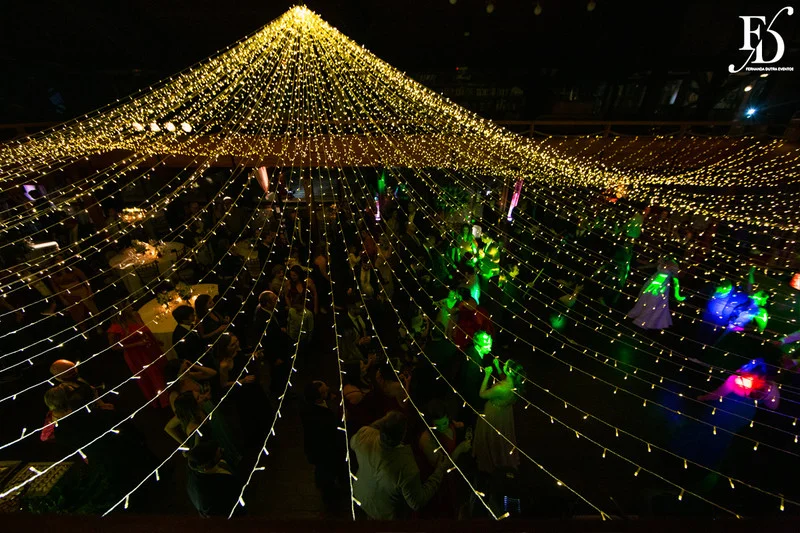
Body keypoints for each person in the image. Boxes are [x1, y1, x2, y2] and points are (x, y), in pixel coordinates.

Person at [350, 411, 447, 520]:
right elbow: (417, 503)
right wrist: (440, 470)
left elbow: (353, 442)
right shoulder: (406, 466)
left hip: (360, 495)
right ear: (403, 435)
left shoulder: (364, 435)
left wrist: (385, 421)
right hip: (384, 514)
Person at [416, 399, 472, 518]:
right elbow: (441, 467)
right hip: (443, 483)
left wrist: (464, 429)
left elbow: (460, 426)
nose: (442, 428)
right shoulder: (427, 439)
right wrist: (459, 449)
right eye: (438, 425)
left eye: (445, 423)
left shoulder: (451, 424)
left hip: (457, 474)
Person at [107, 308, 169, 408]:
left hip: (149, 349)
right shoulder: (115, 328)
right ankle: (163, 400)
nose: (131, 307)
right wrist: (137, 344)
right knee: (151, 375)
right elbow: (114, 347)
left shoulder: (135, 316)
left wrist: (155, 340)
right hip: (135, 355)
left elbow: (145, 329)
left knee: (160, 369)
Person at [472, 359, 524, 474]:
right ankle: (501, 454)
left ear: (509, 371)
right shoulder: (515, 384)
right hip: (504, 413)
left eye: (505, 365)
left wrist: (487, 375)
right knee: (502, 434)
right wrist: (498, 367)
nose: (503, 363)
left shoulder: (500, 388)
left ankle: (491, 457)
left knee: (491, 435)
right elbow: (505, 378)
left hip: (494, 411)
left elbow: (482, 394)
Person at [301, 381, 348, 507]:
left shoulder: (311, 406)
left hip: (321, 449)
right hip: (325, 450)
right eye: (325, 390)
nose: (328, 389)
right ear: (319, 397)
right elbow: (331, 430)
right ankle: (331, 500)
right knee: (327, 474)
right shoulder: (319, 415)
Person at [186, 442, 243, 517]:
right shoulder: (223, 483)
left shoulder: (195, 475)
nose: (222, 450)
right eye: (219, 453)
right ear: (208, 463)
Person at [627, 258, 685, 330]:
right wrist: (642, 267)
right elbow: (654, 265)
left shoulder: (674, 265)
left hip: (661, 287)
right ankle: (637, 316)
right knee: (644, 299)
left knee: (653, 302)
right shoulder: (663, 259)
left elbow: (676, 281)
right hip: (652, 283)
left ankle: (644, 322)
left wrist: (677, 295)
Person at [697, 359, 779, 410]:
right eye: (765, 386)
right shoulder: (760, 374)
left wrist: (703, 398)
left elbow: (718, 393)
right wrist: (748, 368)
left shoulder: (737, 385)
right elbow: (759, 361)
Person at [48, 256, 101, 332]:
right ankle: (85, 332)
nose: (60, 261)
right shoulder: (53, 275)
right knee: (78, 316)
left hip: (81, 291)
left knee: (92, 311)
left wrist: (90, 291)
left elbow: (85, 280)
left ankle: (99, 328)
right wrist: (62, 299)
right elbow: (56, 289)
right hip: (69, 296)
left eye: (61, 258)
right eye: (57, 259)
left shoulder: (72, 269)